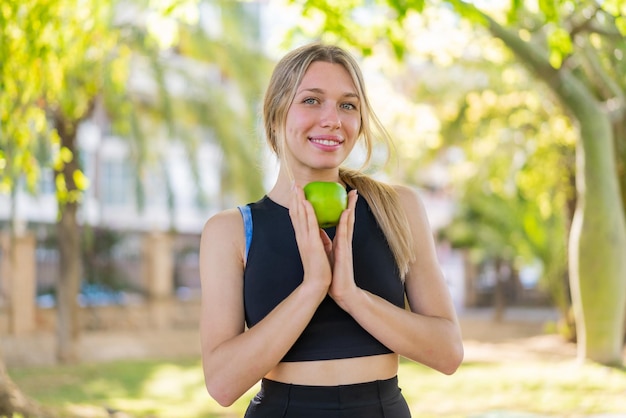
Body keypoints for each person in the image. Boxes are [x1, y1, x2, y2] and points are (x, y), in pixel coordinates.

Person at [199, 42, 464, 417]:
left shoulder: (398, 209)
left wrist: (351, 296)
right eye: (311, 100)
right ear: (276, 113)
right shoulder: (230, 231)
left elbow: (448, 352)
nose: (332, 119)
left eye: (347, 105)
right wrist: (312, 288)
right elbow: (223, 384)